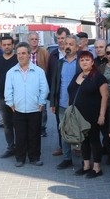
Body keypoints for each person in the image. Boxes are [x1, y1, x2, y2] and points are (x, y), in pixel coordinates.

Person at [4, 42, 49, 167]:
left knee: (34, 135)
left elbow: (44, 88)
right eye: (18, 53)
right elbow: (8, 90)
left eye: (23, 53)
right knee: (20, 135)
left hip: (35, 108)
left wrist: (41, 102)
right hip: (18, 110)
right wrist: (10, 103)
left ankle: (35, 157)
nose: (21, 56)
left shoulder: (38, 71)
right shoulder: (11, 72)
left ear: (29, 55)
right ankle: (20, 158)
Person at [67, 50, 108, 178]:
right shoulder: (77, 76)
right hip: (78, 115)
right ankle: (86, 165)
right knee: (83, 140)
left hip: (93, 114)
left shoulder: (98, 76)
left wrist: (102, 115)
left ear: (92, 62)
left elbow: (105, 96)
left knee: (94, 140)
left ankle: (97, 167)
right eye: (82, 60)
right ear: (79, 62)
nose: (84, 62)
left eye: (87, 60)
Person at [50, 36, 81, 170]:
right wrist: (52, 102)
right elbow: (55, 83)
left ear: (77, 47)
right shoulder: (59, 63)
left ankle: (80, 160)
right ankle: (67, 158)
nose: (67, 46)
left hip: (78, 104)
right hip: (62, 104)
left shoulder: (81, 62)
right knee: (64, 132)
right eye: (66, 44)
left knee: (79, 132)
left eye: (71, 44)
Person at [0, 36, 18, 153]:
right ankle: (10, 147)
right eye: (4, 45)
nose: (7, 47)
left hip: (17, 97)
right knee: (7, 125)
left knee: (19, 124)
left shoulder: (18, 59)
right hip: (2, 97)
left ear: (13, 45)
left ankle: (21, 148)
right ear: (1, 46)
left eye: (9, 44)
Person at [48, 27, 71, 156]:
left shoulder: (74, 54)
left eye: (63, 38)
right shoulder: (53, 55)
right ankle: (62, 147)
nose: (61, 41)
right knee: (60, 123)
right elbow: (50, 77)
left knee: (75, 123)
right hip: (59, 96)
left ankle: (76, 148)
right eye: (59, 38)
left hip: (73, 97)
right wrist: (52, 99)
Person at [28, 32, 49, 137]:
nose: (34, 40)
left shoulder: (44, 52)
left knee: (42, 108)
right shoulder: (25, 52)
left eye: (36, 39)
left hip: (40, 84)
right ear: (29, 40)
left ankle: (42, 128)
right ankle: (32, 127)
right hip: (27, 84)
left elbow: (48, 67)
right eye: (32, 39)